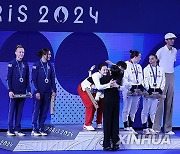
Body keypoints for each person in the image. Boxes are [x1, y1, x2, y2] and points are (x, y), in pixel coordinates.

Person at [153, 33, 177, 135]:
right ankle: (156, 127)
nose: (172, 41)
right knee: (160, 102)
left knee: (170, 102)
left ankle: (168, 128)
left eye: (173, 39)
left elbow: (172, 63)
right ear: (166, 40)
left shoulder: (175, 50)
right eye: (171, 39)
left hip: (171, 75)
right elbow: (155, 63)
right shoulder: (160, 51)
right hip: (162, 75)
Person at [77, 63, 113, 131]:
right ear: (99, 70)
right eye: (103, 70)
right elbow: (99, 87)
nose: (105, 71)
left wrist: (97, 97)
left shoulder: (107, 75)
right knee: (90, 105)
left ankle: (99, 123)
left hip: (94, 90)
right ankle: (87, 124)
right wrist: (109, 85)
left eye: (106, 70)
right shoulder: (96, 75)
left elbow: (100, 89)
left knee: (101, 104)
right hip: (84, 89)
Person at [7, 45, 32, 136]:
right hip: (14, 92)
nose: (21, 54)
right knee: (12, 111)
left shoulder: (25, 64)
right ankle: (10, 129)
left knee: (20, 111)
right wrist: (10, 90)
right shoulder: (12, 63)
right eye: (20, 52)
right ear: (16, 52)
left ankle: (18, 129)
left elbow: (26, 78)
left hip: (22, 92)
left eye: (23, 52)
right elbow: (9, 78)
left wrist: (29, 90)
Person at [101, 63, 126, 151]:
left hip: (108, 102)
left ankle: (107, 144)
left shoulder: (105, 78)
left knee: (107, 122)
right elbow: (121, 72)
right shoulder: (119, 79)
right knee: (115, 122)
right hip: (115, 102)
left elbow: (99, 84)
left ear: (110, 72)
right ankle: (115, 143)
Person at [31, 48, 56, 136]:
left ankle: (41, 128)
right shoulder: (36, 65)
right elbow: (33, 80)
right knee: (37, 110)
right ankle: (35, 129)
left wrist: (54, 90)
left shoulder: (50, 66)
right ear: (43, 55)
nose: (50, 56)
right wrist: (36, 91)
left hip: (47, 92)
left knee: (44, 111)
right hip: (38, 92)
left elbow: (52, 79)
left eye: (50, 54)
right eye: (48, 54)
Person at [141, 54, 165, 134]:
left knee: (153, 112)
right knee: (145, 111)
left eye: (152, 59)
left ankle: (151, 127)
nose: (150, 60)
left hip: (157, 93)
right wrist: (149, 90)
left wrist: (160, 90)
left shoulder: (161, 69)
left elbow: (163, 81)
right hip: (149, 93)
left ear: (156, 59)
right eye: (149, 59)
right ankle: (145, 128)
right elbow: (145, 80)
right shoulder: (146, 69)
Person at [122, 50, 144, 134]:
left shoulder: (139, 66)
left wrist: (140, 87)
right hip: (128, 90)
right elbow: (124, 79)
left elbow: (141, 78)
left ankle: (131, 126)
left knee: (134, 109)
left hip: (137, 90)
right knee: (127, 108)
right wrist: (132, 87)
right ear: (135, 57)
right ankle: (125, 126)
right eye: (139, 57)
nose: (140, 58)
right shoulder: (126, 65)